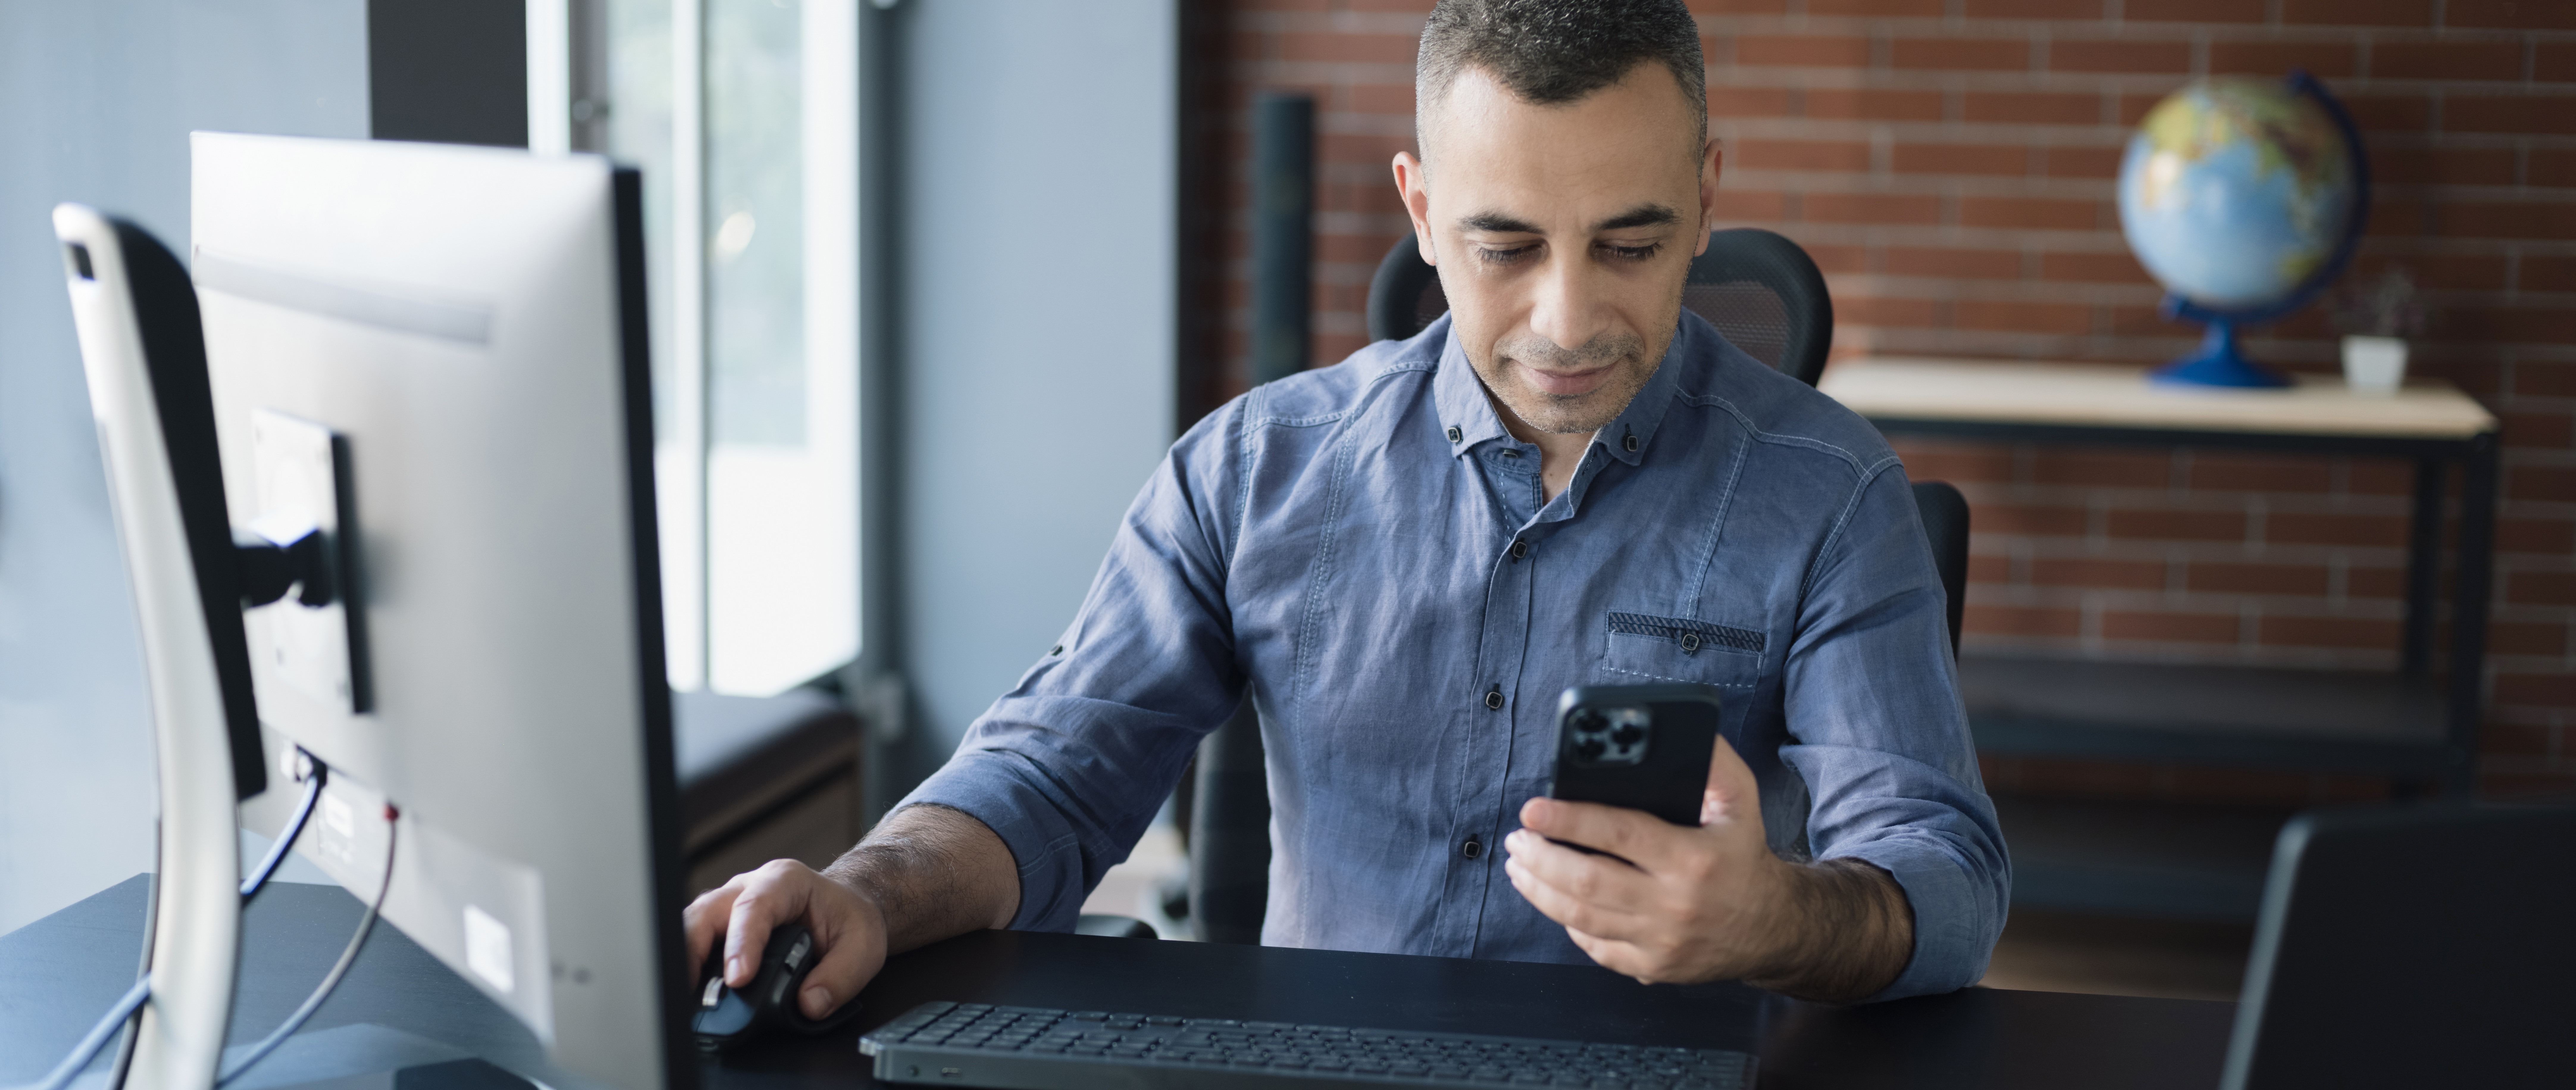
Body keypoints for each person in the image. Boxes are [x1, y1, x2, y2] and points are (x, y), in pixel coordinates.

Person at [686, 0, 2007, 1018]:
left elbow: (1941, 877)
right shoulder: (1253, 469)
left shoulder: (1829, 496)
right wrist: (862, 890)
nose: (1565, 320)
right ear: (1421, 212)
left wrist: (1775, 920)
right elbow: (1051, 775)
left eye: (1629, 243)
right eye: (1504, 247)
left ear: (1708, 199)